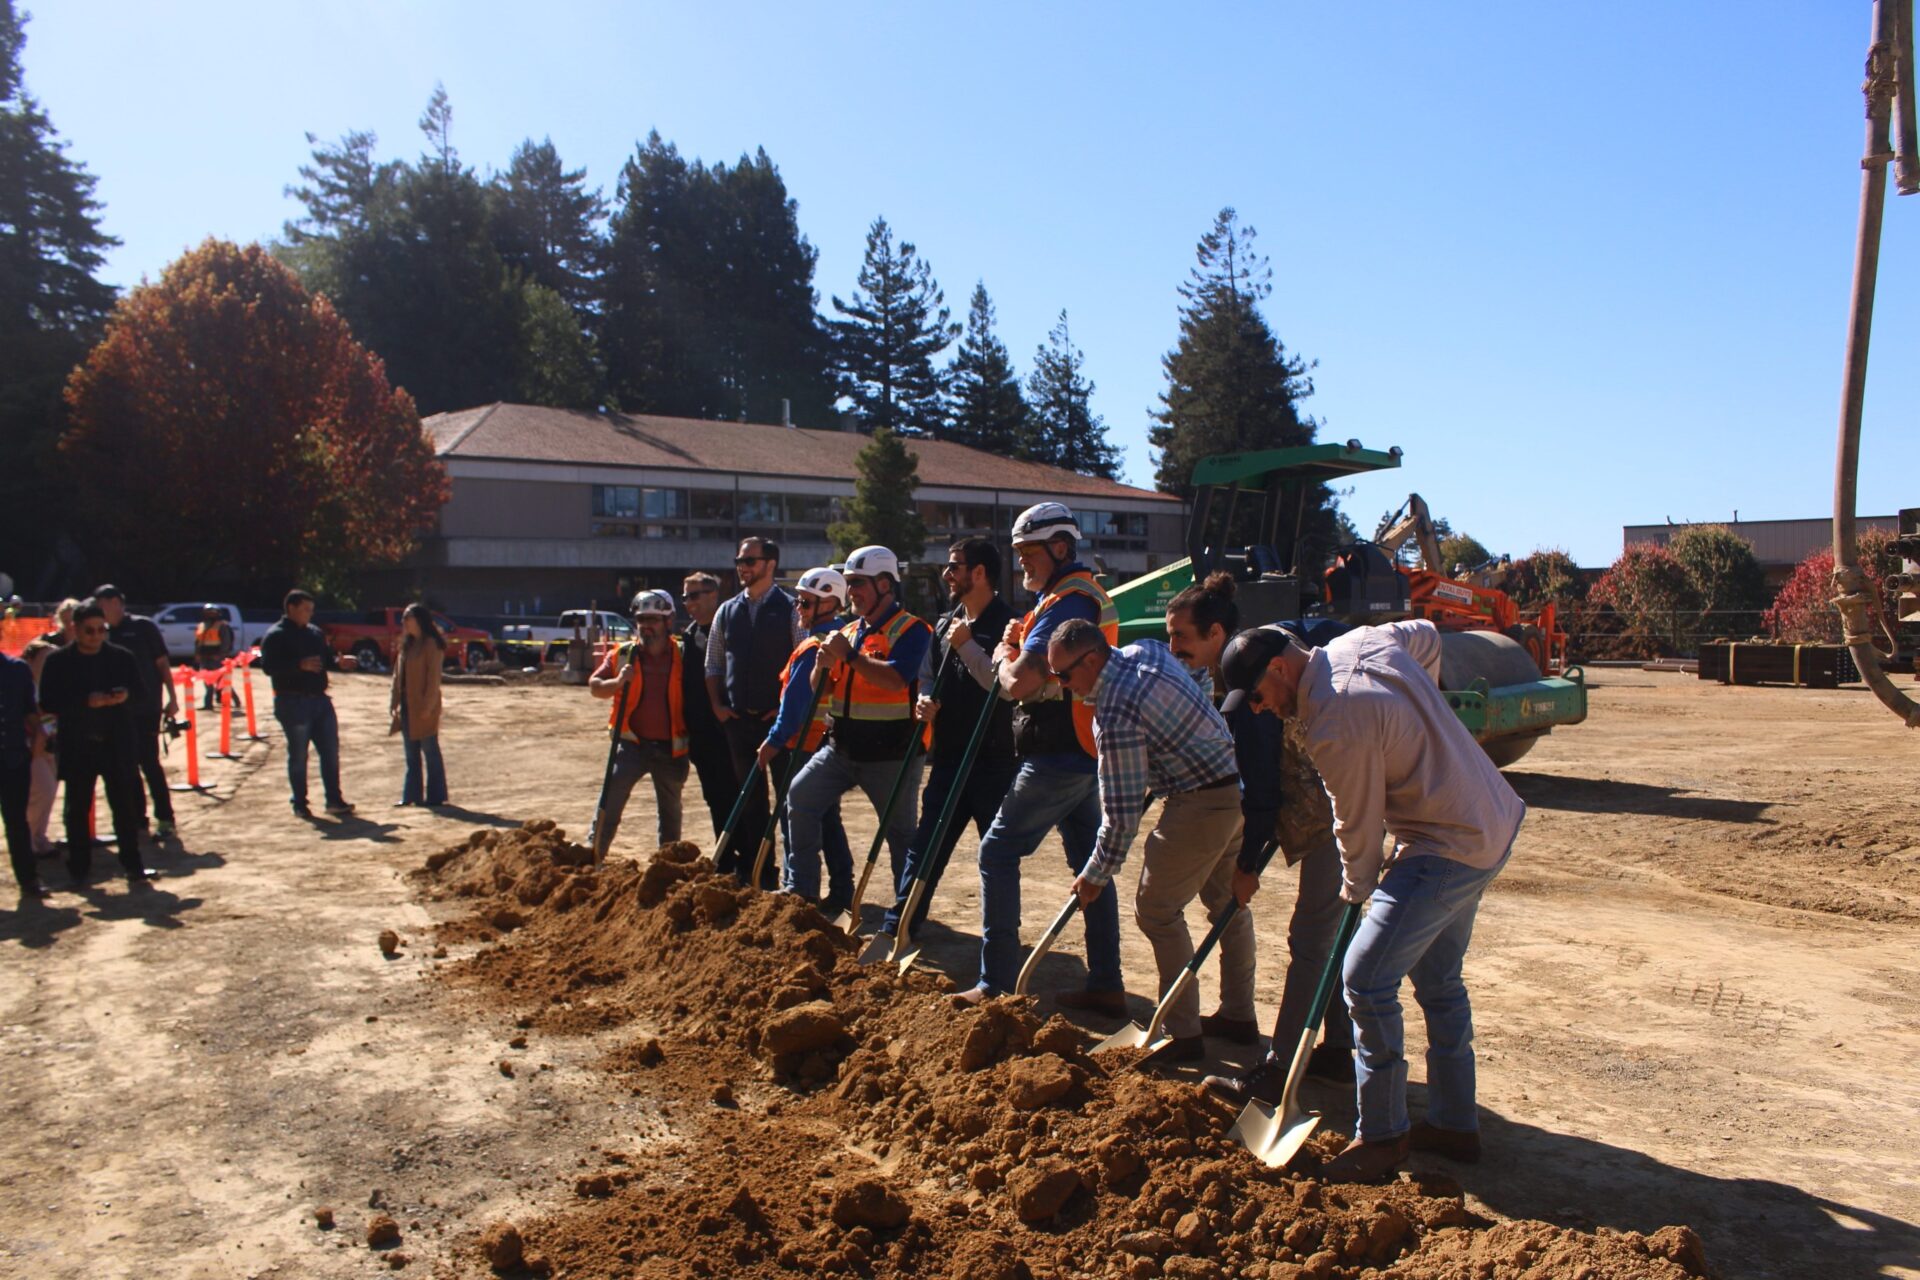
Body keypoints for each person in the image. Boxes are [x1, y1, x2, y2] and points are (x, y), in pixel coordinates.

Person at [1217, 619, 1526, 1182]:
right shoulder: (1360, 643)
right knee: (1439, 981)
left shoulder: (1334, 722)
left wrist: (1356, 892)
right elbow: (1430, 634)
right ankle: (1456, 1124)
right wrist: (1419, 716)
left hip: (1446, 845)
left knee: (1363, 978)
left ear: (1280, 670)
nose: (1259, 711)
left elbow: (1356, 827)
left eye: (1258, 697)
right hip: (1491, 820)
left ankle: (1382, 1138)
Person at [1157, 576, 1358, 1094]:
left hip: (1329, 816)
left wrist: (1247, 864)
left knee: (1312, 940)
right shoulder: (1260, 654)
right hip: (1330, 810)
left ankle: (1280, 1068)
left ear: (1217, 632)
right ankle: (1337, 1049)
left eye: (1182, 637)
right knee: (1333, 937)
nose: (1174, 648)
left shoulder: (1250, 686)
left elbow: (1263, 791)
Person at [1047, 618, 1244, 1060]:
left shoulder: (1114, 710)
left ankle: (1183, 1035)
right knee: (1227, 905)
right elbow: (1191, 684)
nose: (1062, 686)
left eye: (1064, 675)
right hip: (1234, 786)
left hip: (1201, 801)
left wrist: (1096, 872)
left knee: (1156, 911)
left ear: (1093, 660)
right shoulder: (1147, 651)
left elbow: (1120, 813)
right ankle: (1238, 1016)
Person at [954, 504, 1124, 1011]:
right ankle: (1107, 984)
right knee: (1090, 867)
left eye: (1031, 552)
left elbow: (1020, 682)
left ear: (1061, 548)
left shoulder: (1068, 601)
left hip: (1058, 753)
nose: (1022, 563)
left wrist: (1006, 657)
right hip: (1082, 747)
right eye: (1019, 553)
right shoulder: (1068, 597)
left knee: (996, 852)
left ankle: (997, 984)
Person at [879, 536, 1016, 942]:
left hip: (994, 763)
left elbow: (1003, 686)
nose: (946, 573)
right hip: (951, 759)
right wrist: (925, 700)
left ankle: (1001, 945)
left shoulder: (1009, 626)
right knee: (925, 849)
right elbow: (927, 675)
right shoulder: (944, 624)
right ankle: (898, 927)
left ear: (979, 573)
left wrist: (968, 645)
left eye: (954, 566)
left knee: (996, 858)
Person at [785, 546, 933, 919]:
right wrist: (823, 666)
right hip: (840, 750)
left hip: (892, 755)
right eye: (849, 585)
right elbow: (826, 688)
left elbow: (897, 678)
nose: (850, 592)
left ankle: (905, 916)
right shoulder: (848, 631)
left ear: (885, 585)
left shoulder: (913, 630)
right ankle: (800, 894)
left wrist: (849, 658)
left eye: (857, 584)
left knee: (901, 836)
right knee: (800, 797)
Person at [36, 600, 156, 891]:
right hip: (78, 743)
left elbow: (142, 693)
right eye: (89, 631)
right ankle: (79, 869)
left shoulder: (121, 657)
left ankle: (133, 865)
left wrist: (123, 696)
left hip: (116, 742)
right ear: (75, 629)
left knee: (124, 807)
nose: (96, 636)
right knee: (76, 809)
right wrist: (85, 701)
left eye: (101, 630)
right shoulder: (59, 661)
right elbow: (48, 701)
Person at [705, 537, 799, 880]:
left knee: (791, 803)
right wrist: (717, 705)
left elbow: (803, 664)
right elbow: (713, 664)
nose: (742, 567)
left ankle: (795, 878)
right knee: (751, 803)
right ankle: (761, 873)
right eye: (739, 561)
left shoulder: (791, 610)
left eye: (749, 561)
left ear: (770, 564)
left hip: (779, 726)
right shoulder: (727, 611)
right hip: (739, 725)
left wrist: (785, 711)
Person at [756, 568, 853, 896]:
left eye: (805, 602)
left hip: (803, 746)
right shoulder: (844, 638)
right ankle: (841, 888)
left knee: (796, 817)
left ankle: (798, 887)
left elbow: (795, 704)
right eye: (798, 600)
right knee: (827, 819)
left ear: (829, 603)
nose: (798, 607)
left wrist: (773, 741)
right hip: (826, 744)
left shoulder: (815, 646)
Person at [588, 590, 691, 851]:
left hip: (671, 748)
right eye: (641, 619)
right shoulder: (623, 655)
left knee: (670, 814)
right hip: (631, 745)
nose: (646, 626)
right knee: (609, 801)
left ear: (668, 622)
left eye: (653, 620)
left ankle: (667, 866)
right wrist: (618, 681)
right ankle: (594, 853)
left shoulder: (683, 655)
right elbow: (595, 686)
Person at [259, 589, 354, 819]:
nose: (309, 614)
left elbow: (326, 659)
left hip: (320, 701)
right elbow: (267, 667)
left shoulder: (314, 633)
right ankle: (300, 803)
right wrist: (297, 665)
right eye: (305, 610)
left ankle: (334, 800)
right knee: (299, 754)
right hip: (292, 701)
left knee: (330, 752)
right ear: (291, 608)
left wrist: (339, 662)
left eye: (311, 610)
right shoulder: (276, 635)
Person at [95, 585, 177, 840]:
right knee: (125, 767)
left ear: (117, 602)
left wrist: (172, 698)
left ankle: (165, 818)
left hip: (146, 708)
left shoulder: (143, 627)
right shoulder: (101, 634)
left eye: (104, 604)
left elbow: (162, 664)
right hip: (116, 712)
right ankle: (137, 819)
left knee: (149, 763)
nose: (101, 610)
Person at [678, 571, 737, 840]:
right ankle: (724, 862)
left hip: (731, 733)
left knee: (740, 800)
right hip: (701, 738)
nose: (689, 603)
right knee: (715, 798)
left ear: (714, 594)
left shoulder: (732, 628)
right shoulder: (689, 636)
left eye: (694, 596)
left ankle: (751, 863)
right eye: (685, 597)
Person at [0, 647, 49, 900]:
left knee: (17, 821)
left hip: (12, 757)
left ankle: (28, 879)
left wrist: (39, 733)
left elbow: (29, 710)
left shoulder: (17, 670)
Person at [389, 603, 448, 807]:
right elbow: (398, 676)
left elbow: (433, 679)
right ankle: (411, 796)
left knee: (430, 751)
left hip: (424, 708)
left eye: (408, 617)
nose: (404, 622)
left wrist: (428, 706)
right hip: (407, 707)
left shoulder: (432, 644)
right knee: (411, 754)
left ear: (419, 620)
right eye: (403, 618)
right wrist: (394, 702)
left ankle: (436, 796)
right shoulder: (407, 645)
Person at [21, 640, 59, 856]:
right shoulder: (24, 684)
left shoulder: (50, 685)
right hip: (30, 745)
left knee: (50, 790)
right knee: (41, 790)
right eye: (45, 659)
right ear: (30, 659)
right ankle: (27, 839)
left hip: (48, 743)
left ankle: (39, 836)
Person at [195, 604, 235, 711]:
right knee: (207, 681)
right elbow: (198, 642)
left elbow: (226, 642)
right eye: (208, 612)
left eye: (212, 612)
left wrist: (221, 655)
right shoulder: (201, 625)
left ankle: (234, 699)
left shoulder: (222, 626)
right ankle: (208, 704)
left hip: (217, 658)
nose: (210, 615)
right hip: (205, 658)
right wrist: (197, 654)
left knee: (221, 681)